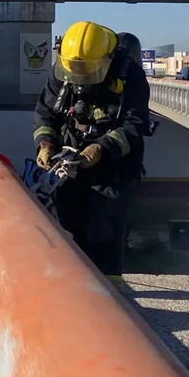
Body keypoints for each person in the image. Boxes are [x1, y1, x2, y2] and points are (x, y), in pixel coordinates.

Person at [32, 21, 150, 289]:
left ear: (107, 58)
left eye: (87, 69)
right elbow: (45, 113)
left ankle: (110, 296)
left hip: (114, 165)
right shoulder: (63, 69)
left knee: (105, 229)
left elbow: (135, 124)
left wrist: (101, 148)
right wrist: (45, 143)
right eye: (75, 69)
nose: (80, 76)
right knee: (65, 219)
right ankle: (71, 288)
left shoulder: (129, 75)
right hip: (72, 155)